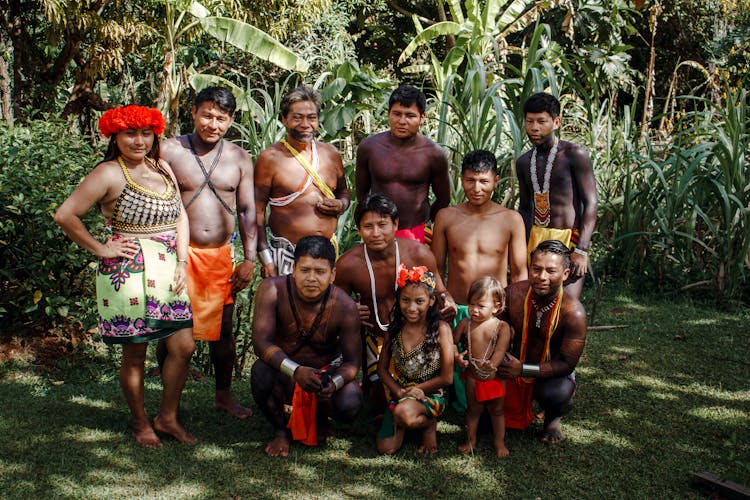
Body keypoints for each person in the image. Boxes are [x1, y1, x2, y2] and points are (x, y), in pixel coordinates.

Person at [54, 105, 196, 447]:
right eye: (131, 133)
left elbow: (180, 216)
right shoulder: (107, 173)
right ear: (114, 135)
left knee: (184, 345)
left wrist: (182, 261)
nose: (139, 141)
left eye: (146, 133)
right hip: (128, 270)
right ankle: (140, 422)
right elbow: (65, 215)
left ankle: (168, 417)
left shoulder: (161, 166)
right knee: (135, 352)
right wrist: (102, 249)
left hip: (168, 270)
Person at [158, 86, 255, 418]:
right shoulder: (169, 150)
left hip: (219, 257)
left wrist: (250, 259)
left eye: (221, 118)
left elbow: (247, 210)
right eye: (207, 115)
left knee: (223, 331)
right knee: (169, 329)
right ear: (194, 112)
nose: (213, 124)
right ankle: (170, 397)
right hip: (175, 255)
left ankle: (223, 395)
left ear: (230, 120)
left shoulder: (239, 158)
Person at [334, 194, 457, 415]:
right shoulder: (348, 264)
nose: (376, 233)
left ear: (396, 224)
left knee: (411, 396)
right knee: (379, 406)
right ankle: (375, 386)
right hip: (374, 336)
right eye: (368, 226)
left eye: (382, 225)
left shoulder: (418, 254)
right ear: (359, 229)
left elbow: (440, 290)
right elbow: (336, 306)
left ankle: (426, 400)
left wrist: (447, 300)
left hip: (415, 336)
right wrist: (350, 310)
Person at [430, 149, 526, 413]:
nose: (477, 187)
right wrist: (443, 295)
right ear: (461, 179)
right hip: (456, 307)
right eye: (470, 180)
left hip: (494, 312)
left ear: (496, 180)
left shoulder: (511, 219)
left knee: (489, 371)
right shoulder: (446, 216)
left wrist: (512, 315)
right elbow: (436, 266)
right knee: (458, 369)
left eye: (484, 181)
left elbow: (519, 273)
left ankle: (487, 409)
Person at [251, 236, 362, 457]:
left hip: (323, 377)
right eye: (305, 270)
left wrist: (334, 383)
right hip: (284, 372)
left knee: (351, 400)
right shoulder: (272, 290)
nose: (311, 278)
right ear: (293, 269)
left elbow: (352, 363)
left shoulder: (345, 306)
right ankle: (281, 430)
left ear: (332, 274)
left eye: (320, 272)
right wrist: (295, 371)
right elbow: (261, 343)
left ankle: (320, 417)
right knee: (260, 372)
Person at [497, 240, 588, 443]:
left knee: (556, 393)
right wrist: (501, 358)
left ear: (565, 275)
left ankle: (553, 418)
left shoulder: (574, 313)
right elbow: (492, 331)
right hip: (513, 363)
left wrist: (522, 369)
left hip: (550, 372)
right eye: (536, 269)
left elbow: (566, 363)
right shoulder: (513, 294)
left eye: (550, 271)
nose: (541, 277)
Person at [254, 85, 350, 276]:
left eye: (311, 118)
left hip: (326, 254)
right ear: (284, 119)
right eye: (297, 118)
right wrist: (266, 258)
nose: (305, 124)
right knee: (286, 305)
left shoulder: (330, 154)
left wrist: (341, 204)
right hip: (286, 254)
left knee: (325, 306)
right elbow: (255, 212)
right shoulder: (270, 159)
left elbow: (344, 192)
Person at [516, 92, 597, 300]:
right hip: (535, 239)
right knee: (534, 306)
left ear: (556, 122)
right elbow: (525, 208)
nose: (534, 127)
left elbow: (590, 202)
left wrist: (582, 249)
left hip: (569, 239)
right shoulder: (524, 162)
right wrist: (520, 248)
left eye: (542, 121)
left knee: (567, 304)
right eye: (530, 121)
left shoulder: (574, 155)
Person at [355, 85, 451, 245]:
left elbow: (443, 199)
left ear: (422, 117)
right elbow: (362, 194)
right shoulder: (369, 148)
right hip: (378, 233)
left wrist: (425, 224)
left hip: (416, 231)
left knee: (416, 271)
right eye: (397, 114)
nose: (402, 121)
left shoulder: (433, 154)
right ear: (388, 114)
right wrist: (373, 224)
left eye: (410, 115)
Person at [376, 265, 454, 455]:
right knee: (385, 449)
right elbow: (382, 370)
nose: (411, 308)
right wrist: (399, 391)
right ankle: (400, 418)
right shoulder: (394, 329)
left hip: (432, 393)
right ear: (399, 300)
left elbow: (447, 377)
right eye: (405, 300)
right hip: (401, 393)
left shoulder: (441, 329)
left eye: (419, 301)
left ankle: (428, 424)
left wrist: (419, 390)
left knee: (405, 414)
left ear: (431, 300)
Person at [453, 276, 511, 457]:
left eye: (481, 306)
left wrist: (492, 364)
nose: (474, 310)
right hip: (473, 376)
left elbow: (501, 349)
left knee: (497, 411)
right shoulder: (465, 324)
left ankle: (499, 443)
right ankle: (470, 441)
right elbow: (452, 343)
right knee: (473, 411)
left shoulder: (501, 327)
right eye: (472, 304)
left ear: (496, 306)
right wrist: (457, 356)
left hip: (494, 377)